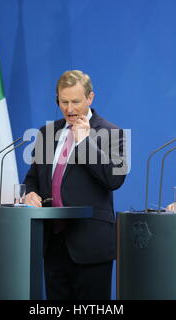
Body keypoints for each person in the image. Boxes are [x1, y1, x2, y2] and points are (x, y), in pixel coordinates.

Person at [24, 70, 128, 300]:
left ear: (90, 98)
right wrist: (29, 194)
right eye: (64, 102)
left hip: (90, 244)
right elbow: (32, 178)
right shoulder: (46, 133)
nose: (70, 109)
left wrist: (84, 142)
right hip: (53, 244)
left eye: (76, 102)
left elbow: (115, 179)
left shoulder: (114, 133)